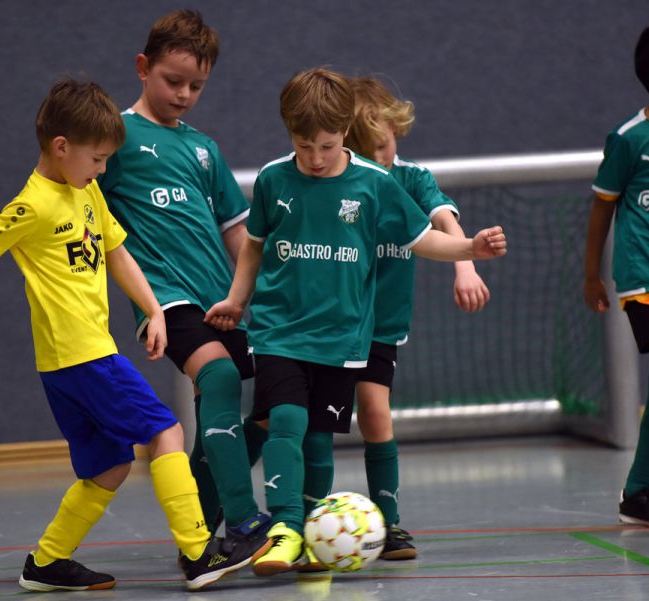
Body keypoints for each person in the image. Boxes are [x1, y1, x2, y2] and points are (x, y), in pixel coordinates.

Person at [0, 78, 260, 591]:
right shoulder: (32, 205)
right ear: (61, 147)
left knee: (109, 465)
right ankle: (199, 553)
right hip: (82, 357)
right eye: (98, 159)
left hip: (67, 366)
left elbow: (117, 252)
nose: (103, 169)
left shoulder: (85, 193)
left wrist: (153, 309)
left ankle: (47, 562)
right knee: (166, 432)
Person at [205, 68, 506, 576]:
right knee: (286, 420)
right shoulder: (274, 178)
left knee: (319, 438)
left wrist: (468, 249)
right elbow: (253, 246)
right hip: (281, 330)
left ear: (344, 131)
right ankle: (284, 528)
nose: (315, 158)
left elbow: (423, 239)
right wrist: (237, 300)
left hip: (343, 337)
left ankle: (310, 532)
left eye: (325, 146)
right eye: (304, 146)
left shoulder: (374, 184)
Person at [97, 9, 271, 553]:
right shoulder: (116, 138)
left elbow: (237, 230)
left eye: (196, 86)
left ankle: (196, 532)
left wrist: (259, 293)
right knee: (218, 378)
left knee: (266, 409)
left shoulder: (204, 148)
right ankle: (244, 521)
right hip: (167, 299)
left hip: (222, 298)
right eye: (173, 81)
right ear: (142, 67)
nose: (184, 94)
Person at [343, 77, 491, 559]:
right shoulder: (342, 182)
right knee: (300, 422)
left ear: (397, 133)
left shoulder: (411, 179)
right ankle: (284, 518)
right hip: (334, 324)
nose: (378, 158)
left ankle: (389, 523)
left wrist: (465, 266)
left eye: (383, 146)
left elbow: (445, 220)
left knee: (375, 411)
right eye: (365, 150)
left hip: (382, 325)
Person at [584, 21, 649, 527]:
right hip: (646, 277)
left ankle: (638, 493)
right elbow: (601, 209)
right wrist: (591, 274)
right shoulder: (630, 138)